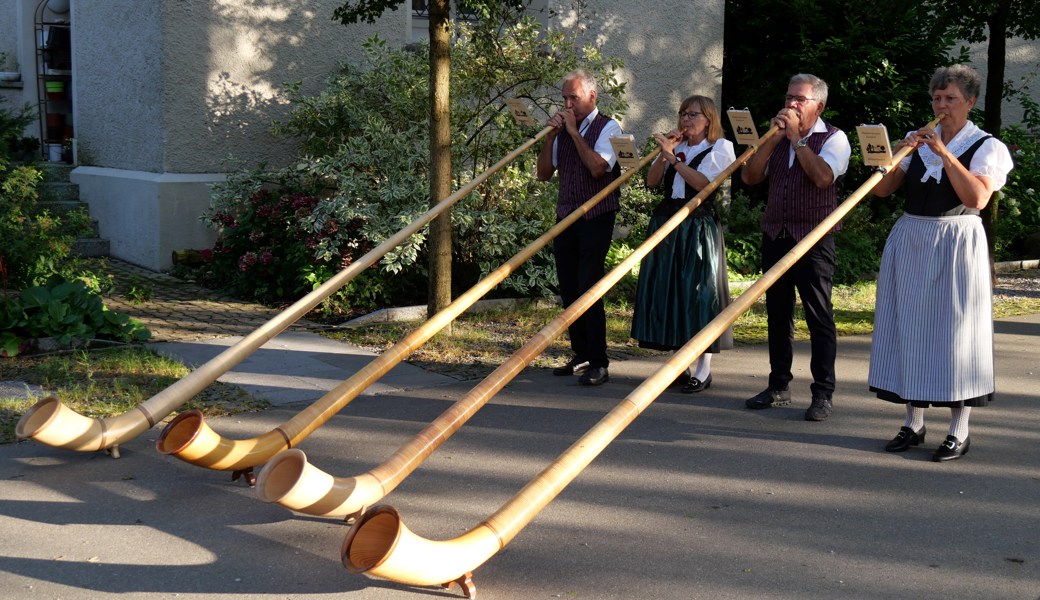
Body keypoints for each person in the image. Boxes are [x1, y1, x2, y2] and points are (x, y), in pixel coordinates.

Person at [868, 64, 1013, 462]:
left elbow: (976, 198)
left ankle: (958, 430)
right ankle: (913, 422)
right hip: (912, 236)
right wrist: (891, 155)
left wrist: (944, 154)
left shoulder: (987, 147)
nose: (942, 106)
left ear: (970, 102)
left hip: (956, 239)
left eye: (950, 98)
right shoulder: (918, 140)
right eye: (937, 98)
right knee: (909, 325)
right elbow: (883, 190)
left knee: (956, 333)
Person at [739, 73, 851, 420]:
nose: (791, 104)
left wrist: (798, 141)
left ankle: (823, 393)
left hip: (815, 238)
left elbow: (823, 178)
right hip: (777, 234)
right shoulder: (777, 137)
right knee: (777, 314)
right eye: (789, 97)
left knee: (819, 316)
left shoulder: (835, 138)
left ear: (819, 106)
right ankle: (778, 385)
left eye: (800, 99)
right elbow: (749, 177)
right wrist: (773, 139)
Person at [630, 95, 736, 393]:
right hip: (667, 221)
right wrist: (664, 154)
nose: (686, 120)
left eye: (693, 115)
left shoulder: (720, 147)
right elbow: (652, 182)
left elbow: (704, 184)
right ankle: (679, 362)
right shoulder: (678, 147)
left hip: (696, 225)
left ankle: (704, 369)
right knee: (669, 290)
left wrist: (674, 159)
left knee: (698, 293)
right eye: (683, 114)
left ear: (709, 119)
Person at [537, 69, 622, 386]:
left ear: (592, 96)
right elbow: (544, 174)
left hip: (596, 215)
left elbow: (599, 168)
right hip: (566, 213)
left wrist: (573, 133)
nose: (567, 104)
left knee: (589, 285)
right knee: (569, 285)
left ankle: (599, 361)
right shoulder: (561, 131)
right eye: (564, 98)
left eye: (573, 97)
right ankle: (581, 352)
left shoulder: (609, 127)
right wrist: (550, 138)